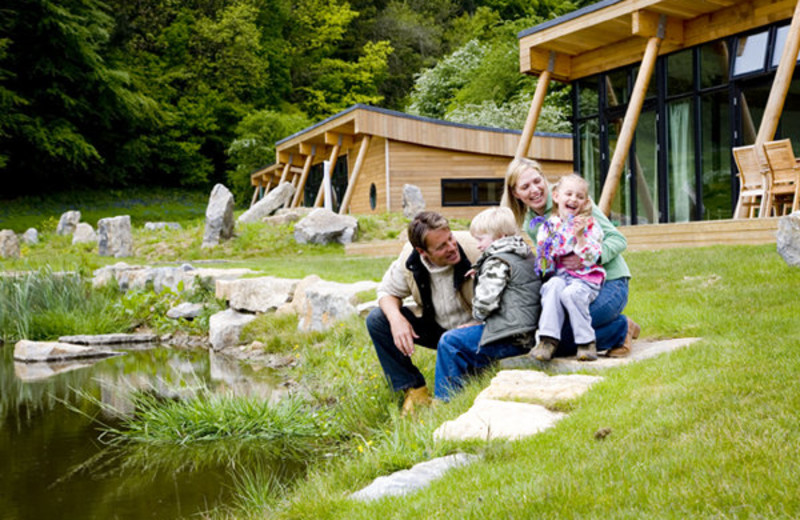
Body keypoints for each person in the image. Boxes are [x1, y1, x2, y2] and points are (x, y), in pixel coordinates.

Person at [503, 157, 640, 357]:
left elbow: (618, 240)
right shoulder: (532, 224)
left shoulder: (574, 201)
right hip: (571, 286)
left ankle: (621, 328)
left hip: (609, 281)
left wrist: (590, 257)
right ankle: (608, 330)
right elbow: (547, 261)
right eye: (525, 186)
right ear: (516, 193)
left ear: (544, 179)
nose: (534, 189)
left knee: (566, 337)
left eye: (537, 181)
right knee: (551, 333)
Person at [365, 211, 480, 415]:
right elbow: (386, 292)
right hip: (437, 327)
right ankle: (415, 390)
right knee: (378, 320)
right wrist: (396, 320)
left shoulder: (476, 248)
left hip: (475, 330)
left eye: (450, 238)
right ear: (422, 251)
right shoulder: (409, 258)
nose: (452, 247)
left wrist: (480, 324)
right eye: (441, 246)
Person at [433, 206, 540, 401]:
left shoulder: (497, 262)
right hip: (526, 331)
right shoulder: (522, 253)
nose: (478, 246)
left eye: (481, 239)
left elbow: (484, 306)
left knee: (451, 342)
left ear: (499, 237)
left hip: (511, 338)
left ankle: (445, 402)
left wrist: (481, 281)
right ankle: (467, 389)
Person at [531, 174, 605, 362]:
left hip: (584, 279)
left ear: (586, 202)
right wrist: (545, 256)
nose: (573, 199)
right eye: (569, 194)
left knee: (571, 294)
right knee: (552, 286)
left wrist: (579, 237)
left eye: (579, 197)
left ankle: (586, 342)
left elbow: (591, 258)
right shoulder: (547, 227)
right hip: (560, 277)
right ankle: (547, 340)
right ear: (556, 196)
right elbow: (545, 262)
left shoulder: (590, 226)